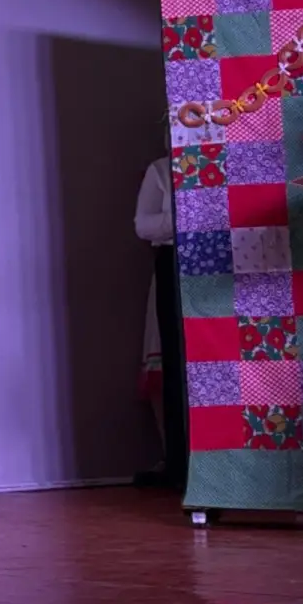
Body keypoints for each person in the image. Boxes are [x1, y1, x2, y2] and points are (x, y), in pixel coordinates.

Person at [132, 154, 185, 486]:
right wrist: (184, 216)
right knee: (171, 361)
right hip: (172, 262)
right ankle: (177, 459)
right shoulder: (162, 170)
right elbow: (143, 224)